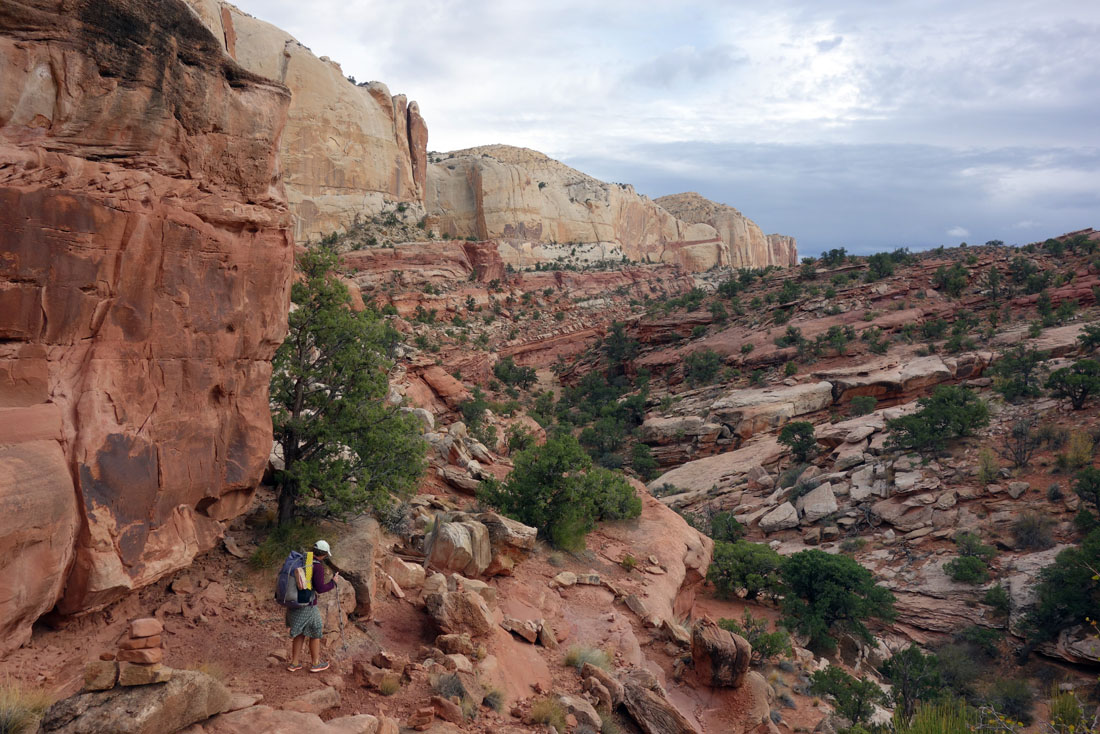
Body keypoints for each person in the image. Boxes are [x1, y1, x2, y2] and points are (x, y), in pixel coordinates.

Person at [286, 539, 339, 672]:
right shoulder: (317, 567)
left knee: (300, 633)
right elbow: (320, 588)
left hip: (294, 603)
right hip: (308, 605)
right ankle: (315, 663)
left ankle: (294, 663)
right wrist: (333, 582)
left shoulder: (302, 561)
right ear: (324, 554)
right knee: (316, 631)